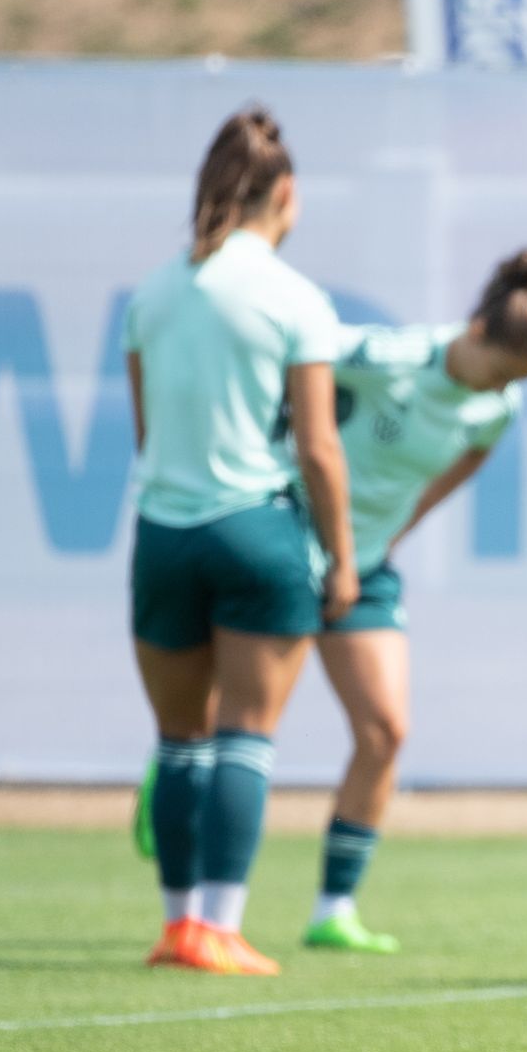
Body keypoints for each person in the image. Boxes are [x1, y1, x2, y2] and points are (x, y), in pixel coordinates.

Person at [127, 106, 358, 977]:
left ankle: (178, 926)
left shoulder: (152, 292)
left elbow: (146, 432)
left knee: (180, 740)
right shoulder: (295, 299)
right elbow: (318, 447)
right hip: (256, 530)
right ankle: (221, 925)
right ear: (286, 193)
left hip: (163, 535)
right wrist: (341, 558)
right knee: (246, 736)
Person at [301, 251, 527, 954]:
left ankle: (334, 907)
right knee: (225, 720)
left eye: (518, 380)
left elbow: (471, 454)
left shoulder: (496, 404)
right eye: (501, 370)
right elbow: (295, 359)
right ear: (474, 330)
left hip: (365, 566)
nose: (504, 389)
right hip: (289, 535)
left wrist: (391, 533)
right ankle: (174, 777)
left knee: (384, 731)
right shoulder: (389, 356)